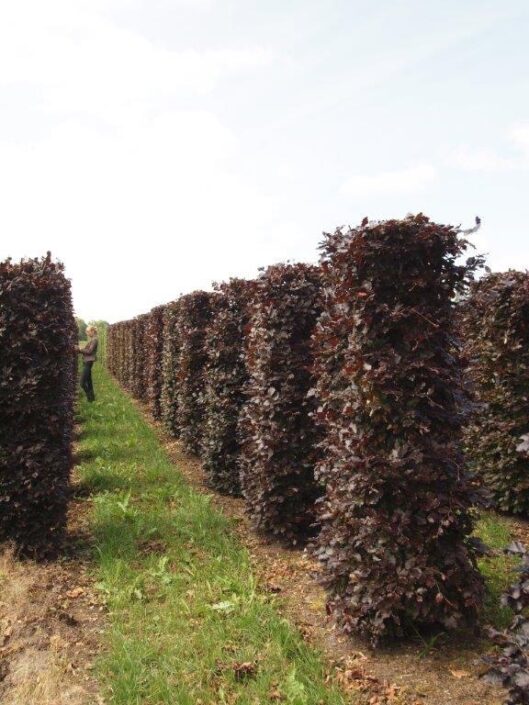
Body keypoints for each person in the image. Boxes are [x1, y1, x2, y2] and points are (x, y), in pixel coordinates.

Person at [79, 325, 98, 402]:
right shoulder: (93, 339)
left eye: (88, 331)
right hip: (87, 361)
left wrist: (80, 349)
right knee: (89, 381)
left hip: (88, 362)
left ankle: (89, 397)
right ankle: (92, 399)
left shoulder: (94, 340)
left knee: (82, 382)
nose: (87, 333)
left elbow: (89, 351)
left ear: (92, 331)